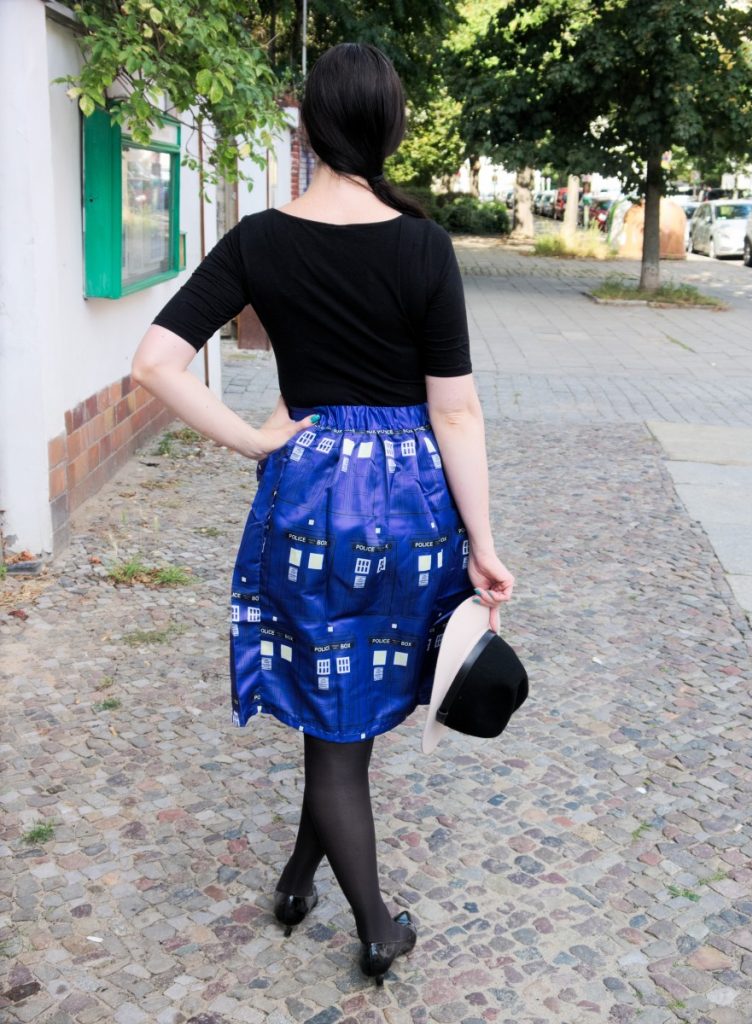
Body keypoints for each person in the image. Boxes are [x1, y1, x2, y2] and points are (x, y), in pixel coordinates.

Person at [132, 41, 514, 986]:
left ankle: (301, 876)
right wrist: (485, 543)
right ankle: (379, 927)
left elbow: (152, 363)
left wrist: (257, 442)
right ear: (389, 127)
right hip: (412, 503)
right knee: (346, 721)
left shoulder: (261, 238)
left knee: (335, 709)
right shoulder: (422, 244)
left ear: (306, 128)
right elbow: (455, 410)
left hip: (310, 501)